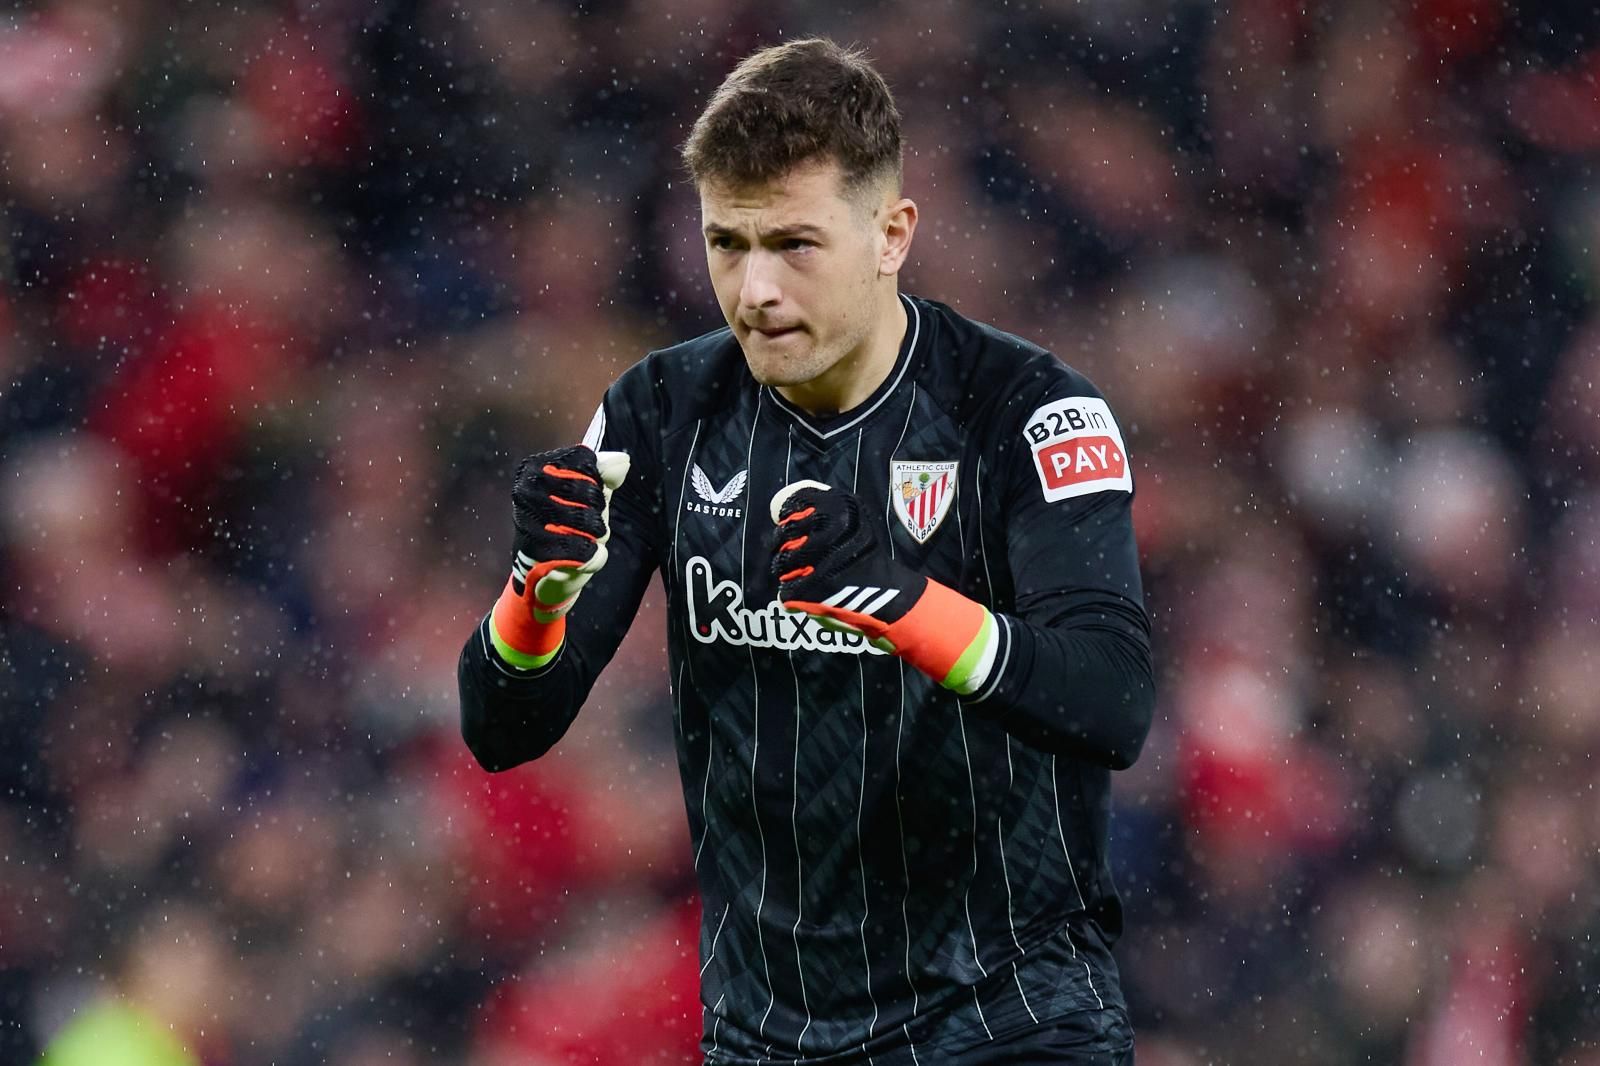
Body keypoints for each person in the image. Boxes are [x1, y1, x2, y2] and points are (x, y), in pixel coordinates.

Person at [458, 37, 1154, 1065]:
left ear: (890, 233)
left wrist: (902, 602)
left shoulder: (1026, 409)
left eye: (793, 243)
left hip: (1009, 1014)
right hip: (770, 1034)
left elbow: (1111, 698)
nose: (754, 289)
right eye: (726, 243)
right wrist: (531, 598)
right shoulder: (660, 412)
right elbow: (503, 727)